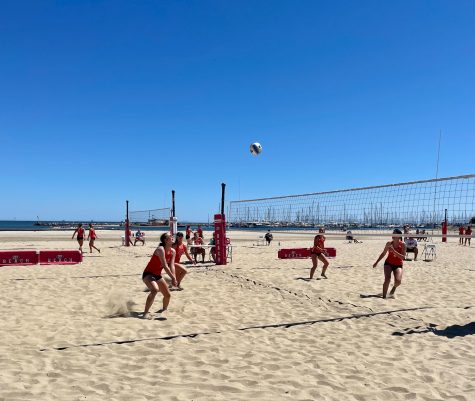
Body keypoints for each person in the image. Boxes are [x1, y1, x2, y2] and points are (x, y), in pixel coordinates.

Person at [142, 232, 177, 319]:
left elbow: (171, 265)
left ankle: (164, 310)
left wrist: (174, 278)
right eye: (170, 236)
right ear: (166, 240)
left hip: (157, 275)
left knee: (168, 295)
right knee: (155, 290)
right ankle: (145, 313)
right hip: (148, 274)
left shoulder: (173, 251)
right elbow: (165, 266)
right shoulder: (160, 249)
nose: (172, 237)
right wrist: (172, 278)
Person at [373, 228, 406, 299]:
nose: (392, 235)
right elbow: (383, 253)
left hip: (398, 264)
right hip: (388, 263)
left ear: (399, 236)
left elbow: (403, 257)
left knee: (398, 281)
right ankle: (384, 297)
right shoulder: (389, 243)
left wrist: (394, 251)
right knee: (387, 279)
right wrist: (376, 262)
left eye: (394, 233)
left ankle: (394, 288)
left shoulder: (403, 244)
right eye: (392, 233)